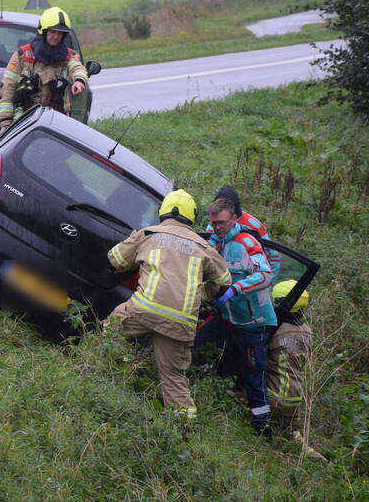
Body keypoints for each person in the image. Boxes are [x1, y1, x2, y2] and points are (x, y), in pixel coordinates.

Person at [105, 190, 232, 421]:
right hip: (180, 323)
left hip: (144, 310)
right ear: (191, 217)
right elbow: (224, 282)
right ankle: (183, 430)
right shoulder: (204, 247)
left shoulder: (149, 233)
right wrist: (204, 293)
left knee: (108, 332)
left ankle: (102, 376)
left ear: (163, 211)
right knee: (174, 379)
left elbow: (116, 260)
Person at [194, 196, 277, 436]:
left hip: (254, 323)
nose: (216, 228)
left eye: (221, 223)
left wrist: (235, 289)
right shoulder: (214, 242)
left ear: (234, 219)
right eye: (213, 223)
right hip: (227, 318)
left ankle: (263, 428)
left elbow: (266, 275)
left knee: (253, 374)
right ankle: (208, 392)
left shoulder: (247, 243)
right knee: (196, 345)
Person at [0, 6, 87, 133]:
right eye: (53, 32)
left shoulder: (69, 56)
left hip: (56, 121)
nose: (56, 36)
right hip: (24, 121)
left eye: (60, 33)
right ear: (44, 31)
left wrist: (79, 80)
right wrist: (6, 125)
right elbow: (7, 89)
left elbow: (77, 68)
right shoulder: (23, 55)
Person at [268, 280, 326, 461]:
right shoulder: (307, 332)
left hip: (273, 396)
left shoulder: (275, 330)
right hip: (295, 397)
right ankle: (305, 450)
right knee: (292, 432)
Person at [214, 184, 280, 276]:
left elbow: (273, 256)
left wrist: (269, 282)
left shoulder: (254, 226)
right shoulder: (213, 226)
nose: (218, 226)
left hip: (250, 278)